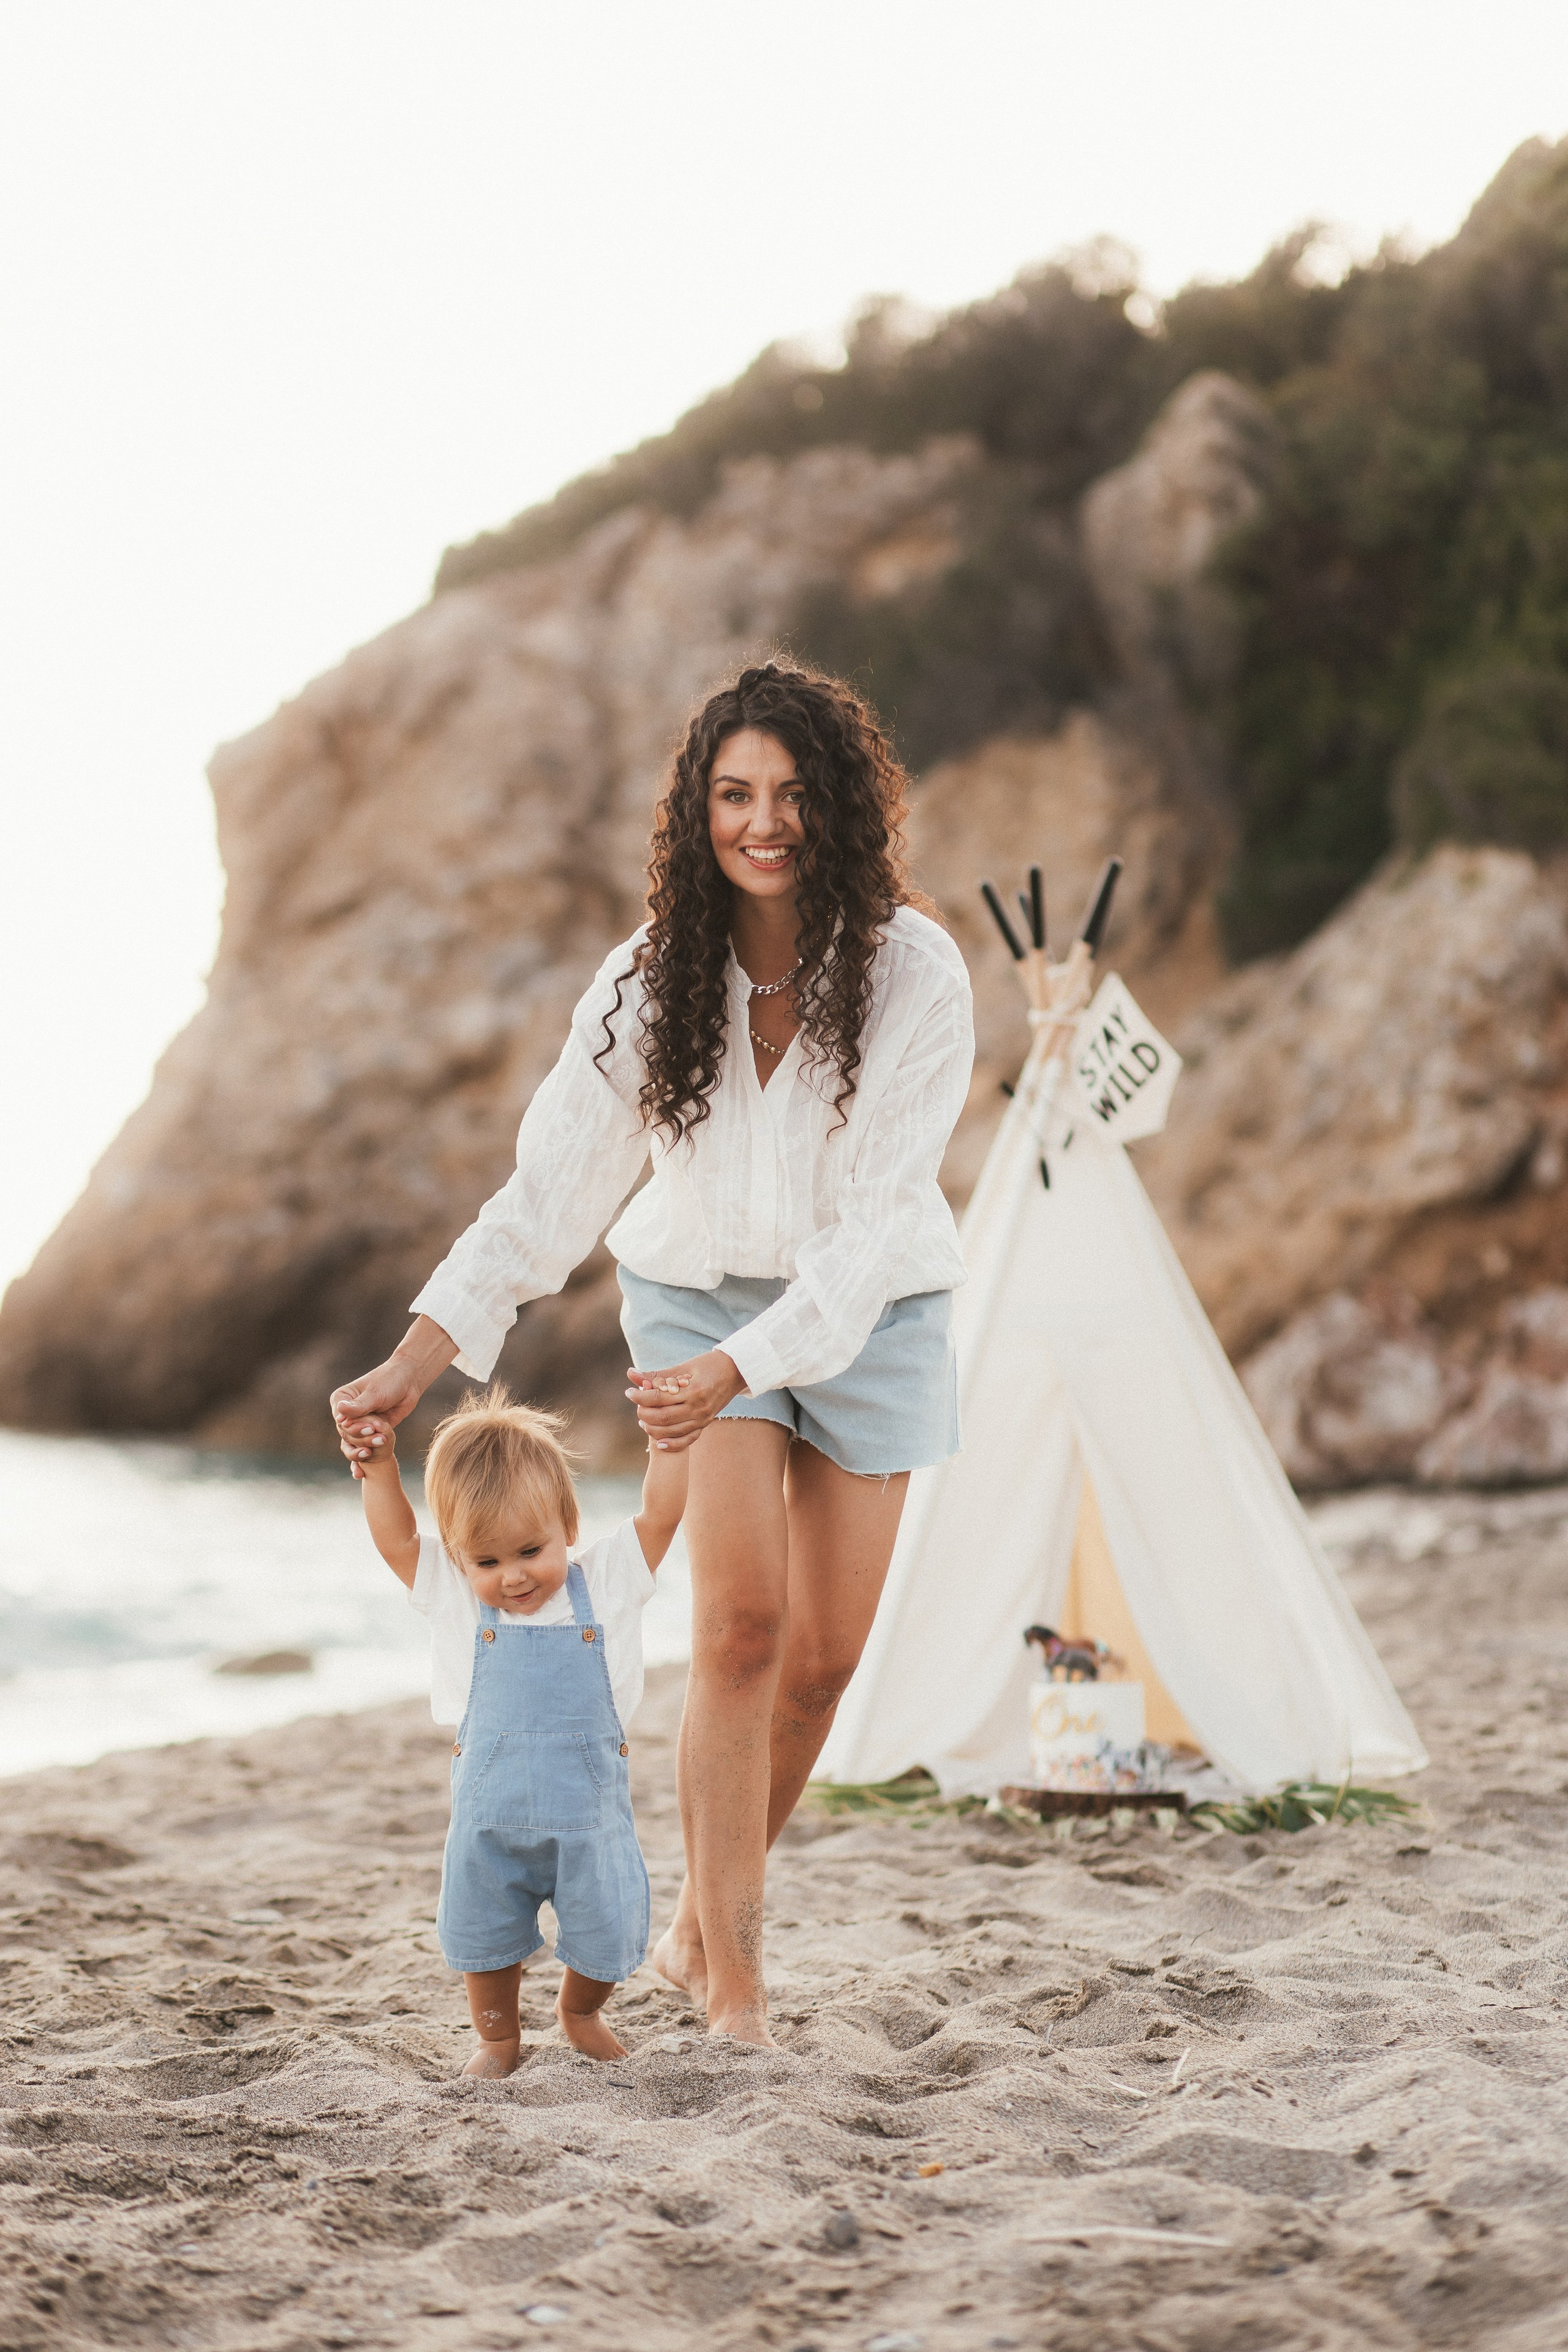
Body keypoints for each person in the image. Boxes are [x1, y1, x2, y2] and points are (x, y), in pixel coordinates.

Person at [332, 661, 975, 2046]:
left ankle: (696, 1922)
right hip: (691, 1298)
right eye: (734, 794)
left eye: (792, 795)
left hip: (870, 1312)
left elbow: (868, 1235)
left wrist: (754, 1364)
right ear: (697, 811)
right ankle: (735, 1975)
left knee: (822, 1656)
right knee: (740, 1627)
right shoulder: (642, 982)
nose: (763, 821)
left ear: (842, 809)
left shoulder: (914, 972)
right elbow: (546, 1197)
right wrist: (410, 1361)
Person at [348, 1384, 687, 2070]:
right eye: (487, 1563)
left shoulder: (609, 1582)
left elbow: (660, 1513)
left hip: (589, 1821)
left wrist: (668, 1442)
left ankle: (578, 2010)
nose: (513, 1578)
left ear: (568, 1523)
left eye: (531, 1551)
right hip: (489, 1824)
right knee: (485, 1938)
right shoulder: (453, 1598)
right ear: (459, 1558)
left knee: (606, 1928)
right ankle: (498, 2038)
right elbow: (395, 1540)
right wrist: (380, 1469)